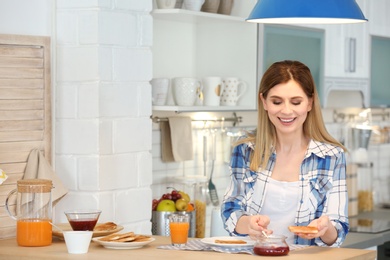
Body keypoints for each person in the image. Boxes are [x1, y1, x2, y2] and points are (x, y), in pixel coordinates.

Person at [221, 60, 348, 247]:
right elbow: (230, 210)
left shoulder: (331, 156)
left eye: (296, 102)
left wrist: (325, 228)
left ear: (310, 103)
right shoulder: (245, 150)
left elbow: (338, 232)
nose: (286, 111)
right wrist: (247, 224)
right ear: (263, 102)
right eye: (276, 101)